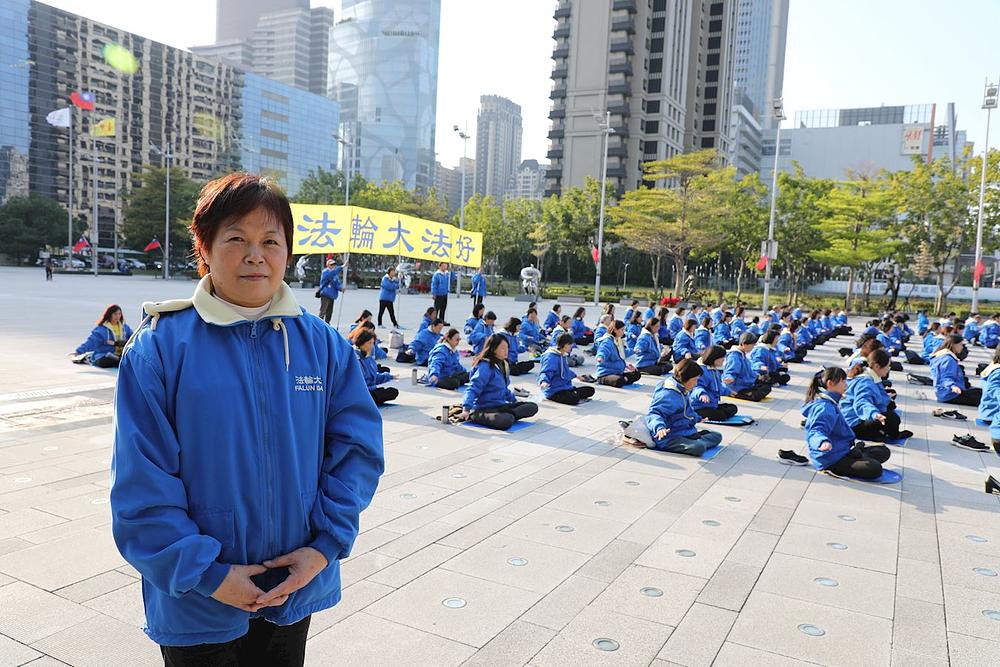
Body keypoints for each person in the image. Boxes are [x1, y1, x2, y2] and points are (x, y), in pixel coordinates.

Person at [110, 172, 383, 664]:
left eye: (270, 241)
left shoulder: (321, 345)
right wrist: (209, 575)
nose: (255, 254)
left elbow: (358, 453)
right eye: (236, 238)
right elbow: (141, 485)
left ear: (288, 252)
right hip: (195, 601)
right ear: (205, 248)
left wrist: (322, 549)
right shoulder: (159, 349)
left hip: (293, 589)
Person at [802, 366, 890, 479]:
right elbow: (815, 430)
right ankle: (840, 465)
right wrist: (822, 442)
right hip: (830, 458)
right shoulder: (824, 407)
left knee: (883, 451)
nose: (846, 384)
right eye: (842, 381)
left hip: (842, 449)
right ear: (830, 384)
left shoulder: (832, 401)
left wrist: (873, 414)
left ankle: (856, 455)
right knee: (875, 469)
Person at [642, 360, 723, 456]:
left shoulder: (682, 389)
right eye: (694, 380)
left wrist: (697, 418)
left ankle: (696, 440)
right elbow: (655, 413)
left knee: (717, 436)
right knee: (698, 448)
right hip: (670, 436)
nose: (696, 384)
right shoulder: (668, 394)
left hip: (685, 431)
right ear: (685, 378)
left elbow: (688, 412)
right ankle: (697, 442)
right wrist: (660, 428)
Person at [457, 335, 539, 430]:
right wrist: (466, 409)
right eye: (503, 348)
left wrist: (514, 401)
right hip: (484, 408)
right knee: (506, 421)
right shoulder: (485, 367)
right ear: (493, 349)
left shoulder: (503, 364)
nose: (506, 351)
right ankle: (474, 415)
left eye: (507, 348)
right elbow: (473, 389)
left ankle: (508, 415)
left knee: (532, 407)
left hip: (500, 406)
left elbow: (504, 389)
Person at [841, 349, 913, 442]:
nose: (888, 369)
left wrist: (886, 398)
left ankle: (878, 433)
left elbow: (875, 395)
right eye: (887, 366)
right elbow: (861, 402)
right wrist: (874, 414)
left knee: (889, 404)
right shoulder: (865, 382)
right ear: (877, 366)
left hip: (854, 418)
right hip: (854, 424)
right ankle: (888, 435)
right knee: (892, 418)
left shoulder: (867, 374)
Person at [538, 333, 597, 405]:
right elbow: (546, 372)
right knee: (574, 398)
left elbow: (566, 371)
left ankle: (573, 393)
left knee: (590, 390)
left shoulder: (562, 354)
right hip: (554, 391)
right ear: (564, 344)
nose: (571, 347)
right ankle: (572, 394)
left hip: (566, 387)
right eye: (569, 345)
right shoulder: (551, 357)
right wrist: (543, 381)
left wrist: (576, 376)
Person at [931, 334, 981, 406]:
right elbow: (946, 377)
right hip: (950, 394)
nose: (962, 347)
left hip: (945, 392)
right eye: (961, 345)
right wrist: (952, 386)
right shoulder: (948, 360)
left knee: (980, 392)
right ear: (954, 345)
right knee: (984, 399)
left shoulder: (941, 355)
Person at [691, 345, 737, 422]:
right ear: (714, 358)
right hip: (699, 406)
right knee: (720, 416)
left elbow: (718, 387)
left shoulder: (714, 370)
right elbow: (696, 386)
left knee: (733, 408)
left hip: (712, 404)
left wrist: (729, 391)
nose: (723, 360)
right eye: (722, 358)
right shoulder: (701, 371)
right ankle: (697, 414)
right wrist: (702, 394)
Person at [723, 332, 772, 401]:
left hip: (745, 384)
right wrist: (729, 377)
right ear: (743, 344)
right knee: (758, 394)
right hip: (737, 387)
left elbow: (749, 370)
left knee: (766, 385)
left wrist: (758, 375)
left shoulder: (742, 355)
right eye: (751, 345)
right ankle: (736, 393)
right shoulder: (734, 356)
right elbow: (730, 371)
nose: (752, 348)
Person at [354, 329, 398, 405]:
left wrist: (388, 376)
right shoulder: (355, 359)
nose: (371, 346)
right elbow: (358, 382)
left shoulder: (369, 357)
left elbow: (373, 377)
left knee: (393, 392)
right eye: (369, 343)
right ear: (361, 343)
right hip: (360, 392)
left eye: (372, 343)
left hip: (371, 389)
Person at [595, 320, 641, 387]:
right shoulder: (607, 342)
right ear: (615, 330)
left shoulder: (618, 340)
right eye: (622, 330)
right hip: (606, 373)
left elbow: (623, 352)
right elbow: (603, 351)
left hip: (618, 372)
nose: (623, 332)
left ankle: (624, 379)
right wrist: (600, 357)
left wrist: (633, 351)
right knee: (619, 381)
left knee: (637, 374)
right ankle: (622, 380)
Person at [977, 347, 1000, 454]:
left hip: (988, 410)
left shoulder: (993, 366)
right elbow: (995, 389)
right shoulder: (998, 371)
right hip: (991, 413)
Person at [317, 258, 342, 324]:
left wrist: (341, 288)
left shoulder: (335, 275)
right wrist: (342, 267)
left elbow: (337, 284)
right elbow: (331, 274)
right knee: (323, 310)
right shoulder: (325, 272)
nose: (333, 266)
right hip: (325, 294)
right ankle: (319, 323)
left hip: (332, 295)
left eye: (334, 264)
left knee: (330, 311)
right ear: (327, 265)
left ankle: (327, 323)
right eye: (331, 264)